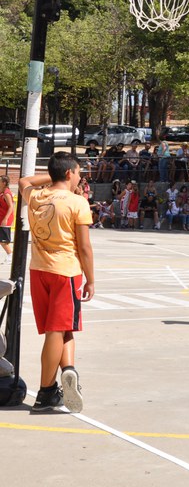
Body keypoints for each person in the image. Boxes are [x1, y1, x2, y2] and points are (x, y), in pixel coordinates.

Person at [20, 152, 95, 413]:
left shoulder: (37, 196)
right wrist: (91, 279)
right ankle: (46, 391)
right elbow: (84, 247)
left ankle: (69, 369)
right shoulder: (77, 202)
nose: (79, 178)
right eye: (77, 173)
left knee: (62, 328)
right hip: (66, 271)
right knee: (57, 329)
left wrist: (51, 178)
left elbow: (24, 181)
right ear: (68, 173)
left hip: (39, 270)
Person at [0, 175, 14, 263]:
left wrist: (5, 219)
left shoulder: (6, 193)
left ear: (4, 183)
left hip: (5, 218)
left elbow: (11, 207)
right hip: (1, 217)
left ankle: (10, 255)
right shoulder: (2, 192)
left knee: (3, 240)